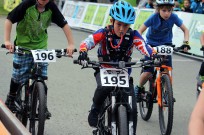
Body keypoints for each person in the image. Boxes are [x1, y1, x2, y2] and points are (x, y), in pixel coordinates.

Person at [77, 1, 155, 134]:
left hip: (123, 73)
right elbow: (88, 41)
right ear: (112, 21)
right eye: (119, 24)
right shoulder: (103, 33)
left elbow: (144, 46)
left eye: (126, 25)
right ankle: (95, 109)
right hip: (104, 70)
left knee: (131, 102)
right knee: (103, 88)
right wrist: (83, 51)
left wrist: (153, 54)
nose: (122, 29)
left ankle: (130, 129)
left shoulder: (133, 35)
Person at [4, 0, 75, 118]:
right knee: (18, 75)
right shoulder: (27, 4)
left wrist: (71, 44)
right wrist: (7, 40)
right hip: (23, 46)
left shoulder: (51, 7)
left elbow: (64, 25)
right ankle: (11, 97)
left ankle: (42, 105)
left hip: (40, 48)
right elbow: (9, 20)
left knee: (42, 75)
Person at [135, 0, 191, 102]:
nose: (167, 13)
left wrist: (186, 43)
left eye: (169, 11)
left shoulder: (173, 17)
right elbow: (139, 31)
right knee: (148, 72)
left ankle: (166, 93)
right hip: (151, 44)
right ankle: (138, 88)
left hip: (166, 44)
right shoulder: (153, 17)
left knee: (167, 70)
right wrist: (142, 44)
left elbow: (186, 30)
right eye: (164, 10)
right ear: (158, 10)